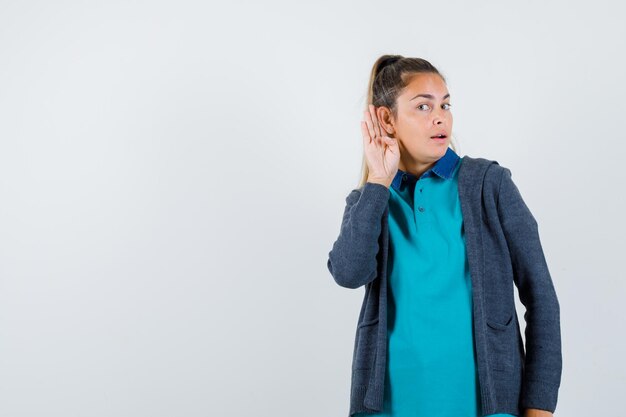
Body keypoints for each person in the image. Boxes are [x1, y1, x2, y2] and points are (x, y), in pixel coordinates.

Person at [326, 55, 562, 417]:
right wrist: (377, 182)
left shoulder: (489, 185)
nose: (440, 118)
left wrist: (539, 407)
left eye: (445, 105)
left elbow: (542, 298)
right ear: (387, 119)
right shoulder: (368, 201)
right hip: (387, 407)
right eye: (423, 106)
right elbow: (348, 273)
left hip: (487, 406)